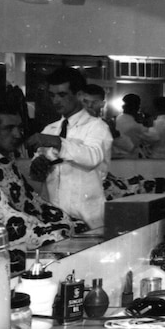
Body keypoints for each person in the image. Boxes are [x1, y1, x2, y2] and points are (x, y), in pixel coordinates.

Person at [0, 102, 87, 256]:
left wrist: (66, 223)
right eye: (9, 128)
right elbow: (4, 219)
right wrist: (53, 232)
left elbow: (33, 204)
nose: (18, 134)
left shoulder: (2, 163)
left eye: (19, 128)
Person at [26, 67, 113, 229]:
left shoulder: (97, 127)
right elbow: (36, 175)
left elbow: (92, 157)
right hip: (54, 218)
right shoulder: (50, 129)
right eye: (52, 95)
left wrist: (57, 142)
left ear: (79, 95)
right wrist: (37, 166)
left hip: (89, 218)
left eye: (62, 95)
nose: (56, 101)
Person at [113, 93, 150, 158]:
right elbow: (153, 137)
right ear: (137, 107)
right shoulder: (135, 126)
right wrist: (147, 123)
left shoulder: (118, 118)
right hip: (130, 156)